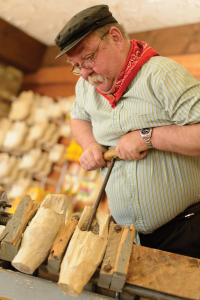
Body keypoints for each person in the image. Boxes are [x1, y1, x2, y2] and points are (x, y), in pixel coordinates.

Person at [54, 5, 200, 258]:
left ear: (115, 38)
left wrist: (148, 137)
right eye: (77, 65)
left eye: (89, 58)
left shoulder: (161, 74)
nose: (86, 73)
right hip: (131, 237)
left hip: (187, 229)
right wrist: (89, 145)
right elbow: (78, 117)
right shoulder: (86, 86)